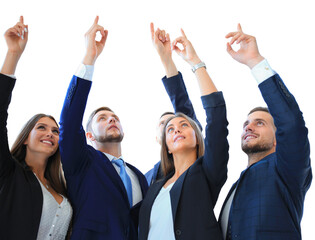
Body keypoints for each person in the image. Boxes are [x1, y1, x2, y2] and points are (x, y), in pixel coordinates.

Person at [219, 24, 312, 240]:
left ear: (278, 140)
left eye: (260, 123)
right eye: (246, 124)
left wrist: (255, 62)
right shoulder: (236, 186)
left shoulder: (286, 169)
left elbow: (291, 125)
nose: (248, 127)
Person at [59, 16, 148, 239]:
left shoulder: (138, 176)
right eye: (102, 118)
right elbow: (69, 122)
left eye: (114, 117)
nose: (111, 119)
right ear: (88, 134)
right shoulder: (82, 162)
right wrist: (90, 58)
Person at [139, 25, 229, 240]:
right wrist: (166, 59)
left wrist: (194, 63)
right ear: (166, 146)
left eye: (184, 126)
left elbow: (215, 120)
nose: (176, 128)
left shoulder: (207, 172)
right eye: (169, 129)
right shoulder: (154, 182)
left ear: (197, 137)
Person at [0, 16, 72, 240]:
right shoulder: (8, 172)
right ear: (25, 138)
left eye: (55, 131)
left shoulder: (62, 188)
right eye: (41, 127)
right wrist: (13, 55)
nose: (50, 133)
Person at [145, 23, 202, 186]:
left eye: (180, 124)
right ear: (157, 138)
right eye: (165, 125)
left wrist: (166, 60)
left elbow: (181, 103)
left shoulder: (196, 160)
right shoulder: (145, 179)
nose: (172, 127)